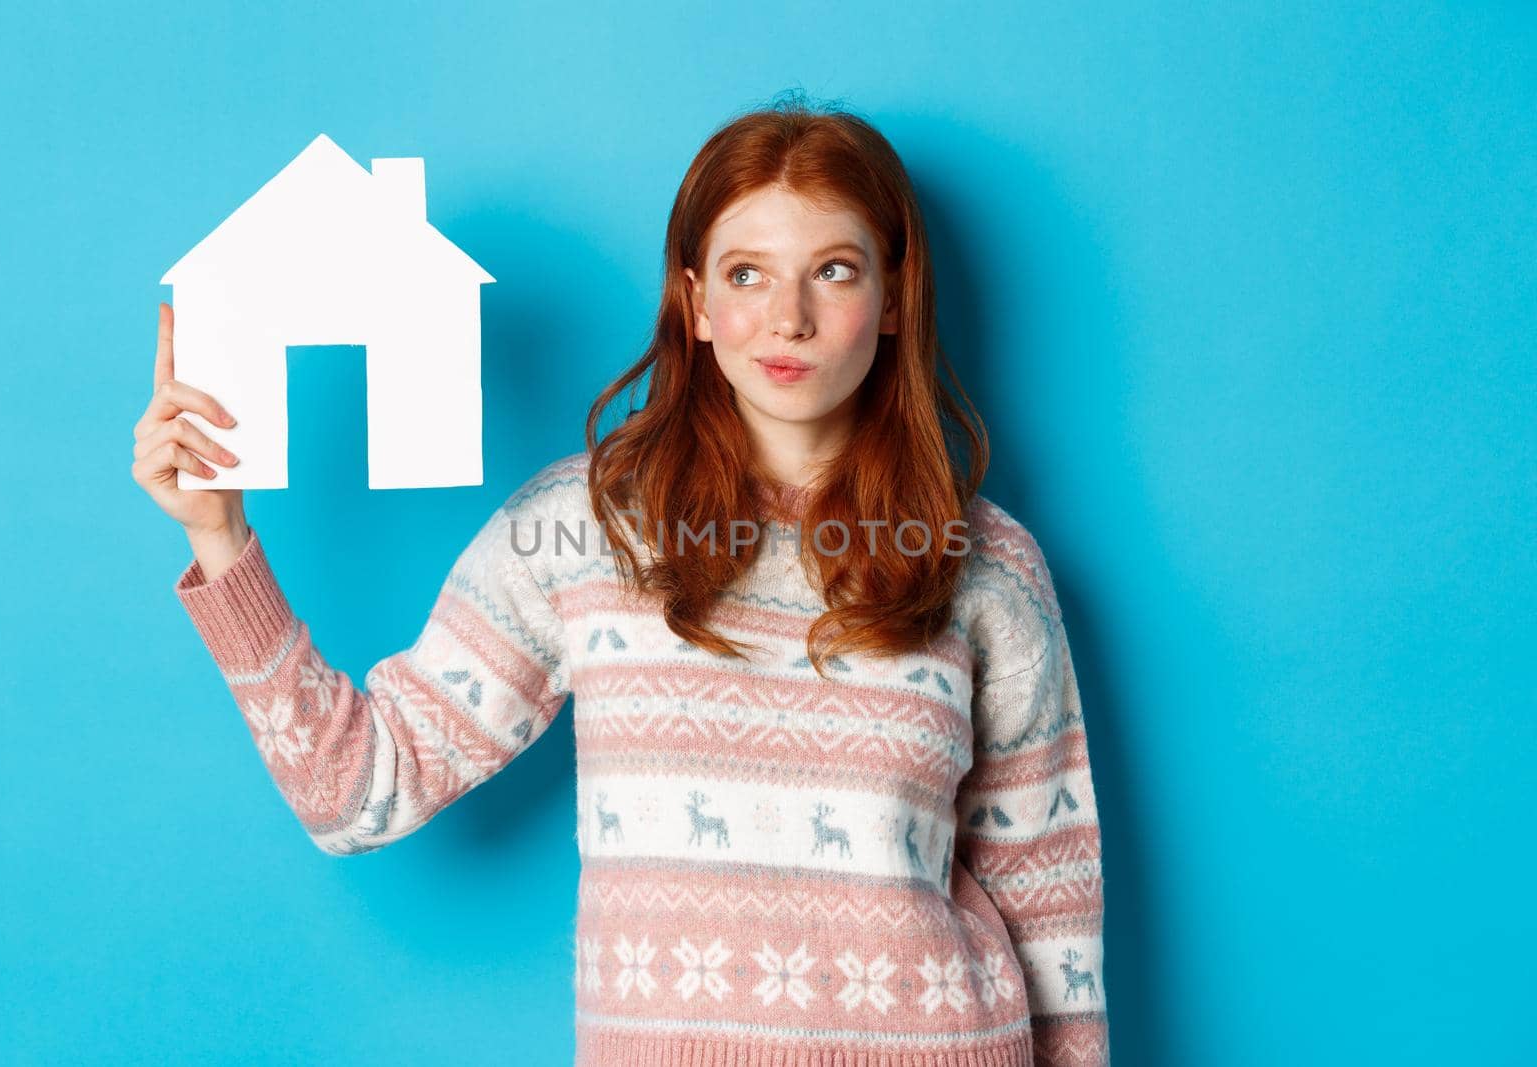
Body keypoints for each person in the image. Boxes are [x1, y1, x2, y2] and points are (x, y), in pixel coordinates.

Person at [132, 95, 1110, 1066]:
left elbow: (1048, 909)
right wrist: (220, 538)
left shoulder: (982, 563)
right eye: (747, 273)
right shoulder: (579, 531)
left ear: (893, 297)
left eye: (834, 271)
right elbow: (353, 791)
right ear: (695, 300)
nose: (790, 317)